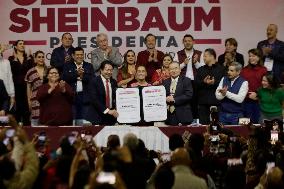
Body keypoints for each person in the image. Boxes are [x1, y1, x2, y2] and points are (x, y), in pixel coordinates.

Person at [174, 34, 204, 122]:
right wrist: (184, 63)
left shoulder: (199, 53)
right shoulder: (178, 54)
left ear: (193, 42)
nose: (187, 43)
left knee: (195, 102)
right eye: (185, 41)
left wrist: (196, 62)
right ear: (183, 42)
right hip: (182, 81)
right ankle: (183, 120)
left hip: (195, 81)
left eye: (189, 41)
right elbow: (174, 68)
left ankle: (195, 121)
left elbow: (203, 69)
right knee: (184, 102)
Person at [62, 47, 94, 125]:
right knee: (72, 123)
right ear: (73, 56)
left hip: (85, 98)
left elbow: (92, 80)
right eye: (77, 55)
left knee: (85, 123)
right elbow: (64, 78)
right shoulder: (67, 66)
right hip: (72, 98)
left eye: (81, 54)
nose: (79, 56)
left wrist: (82, 76)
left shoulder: (89, 66)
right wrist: (77, 74)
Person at [195, 48, 226, 124]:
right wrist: (204, 82)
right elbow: (196, 84)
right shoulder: (200, 69)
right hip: (203, 103)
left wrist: (214, 82)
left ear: (212, 56)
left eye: (205, 56)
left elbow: (225, 84)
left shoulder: (222, 69)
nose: (203, 58)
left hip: (217, 102)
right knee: (203, 126)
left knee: (217, 126)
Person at [84, 60, 119, 125]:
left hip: (111, 117)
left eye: (111, 70)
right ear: (101, 70)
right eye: (107, 70)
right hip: (97, 116)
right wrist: (107, 111)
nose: (109, 72)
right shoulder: (94, 82)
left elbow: (116, 97)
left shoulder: (114, 82)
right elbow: (94, 99)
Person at [8, 40, 34, 125]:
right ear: (15, 46)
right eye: (20, 44)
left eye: (23, 44)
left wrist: (31, 60)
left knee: (27, 110)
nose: (23, 45)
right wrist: (15, 61)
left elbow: (31, 71)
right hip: (16, 87)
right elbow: (12, 72)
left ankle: (27, 132)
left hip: (27, 87)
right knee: (17, 109)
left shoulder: (29, 58)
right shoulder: (11, 59)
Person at [240, 48, 267, 124]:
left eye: (253, 56)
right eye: (250, 56)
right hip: (246, 101)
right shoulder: (244, 70)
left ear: (259, 57)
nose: (251, 58)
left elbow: (265, 85)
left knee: (258, 123)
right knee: (246, 123)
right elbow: (241, 85)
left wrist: (257, 93)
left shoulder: (263, 70)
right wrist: (249, 95)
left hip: (259, 101)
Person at [25, 50, 47, 126]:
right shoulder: (30, 71)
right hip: (35, 100)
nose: (41, 59)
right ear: (35, 59)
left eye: (43, 57)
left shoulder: (48, 70)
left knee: (46, 122)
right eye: (39, 57)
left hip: (47, 99)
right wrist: (29, 101)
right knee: (35, 123)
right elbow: (28, 89)